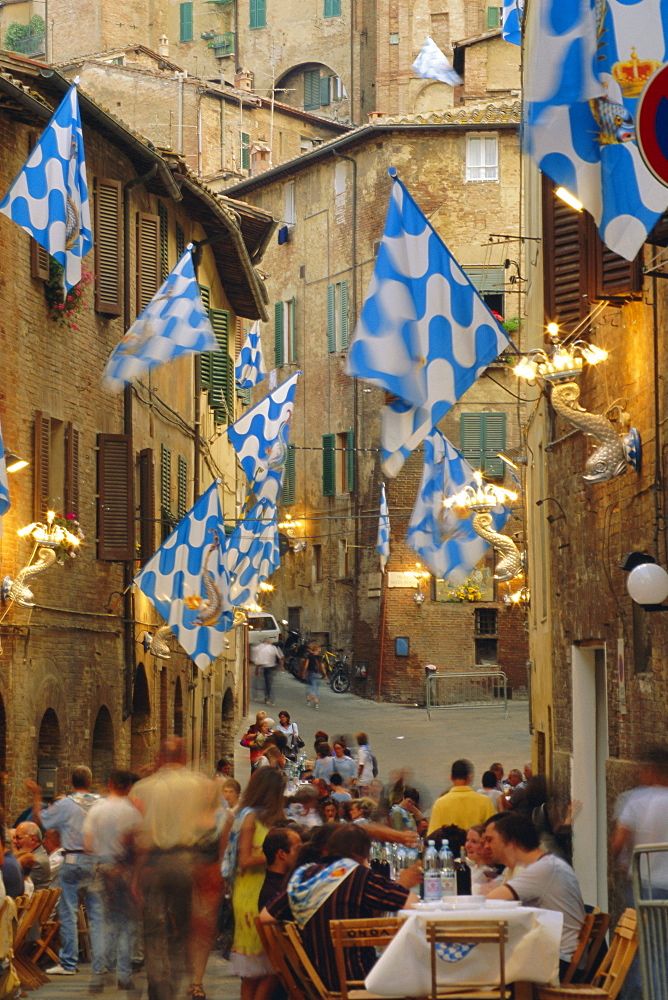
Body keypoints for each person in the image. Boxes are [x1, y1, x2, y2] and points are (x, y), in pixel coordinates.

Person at [260, 824, 420, 992]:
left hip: (318, 982)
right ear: (364, 853)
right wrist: (403, 883)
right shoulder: (361, 877)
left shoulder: (304, 876)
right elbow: (413, 904)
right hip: (360, 980)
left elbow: (265, 916)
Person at [130, 736, 221, 1000]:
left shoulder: (142, 788)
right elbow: (210, 829)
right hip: (188, 861)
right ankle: (182, 983)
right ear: (184, 757)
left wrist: (136, 876)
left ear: (160, 758)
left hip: (154, 863)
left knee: (154, 931)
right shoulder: (203, 785)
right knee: (184, 930)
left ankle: (161, 990)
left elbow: (139, 836)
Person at [485, 813, 585, 978]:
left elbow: (488, 901)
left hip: (559, 961)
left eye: (491, 839)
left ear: (511, 842)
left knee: (485, 966)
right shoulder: (546, 865)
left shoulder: (544, 869)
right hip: (555, 955)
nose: (487, 846)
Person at [26, 766, 103, 979]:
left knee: (68, 912)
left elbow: (41, 820)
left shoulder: (65, 804)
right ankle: (100, 962)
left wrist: (37, 795)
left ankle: (68, 963)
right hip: (95, 860)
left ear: (70, 783)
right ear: (90, 781)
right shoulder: (101, 802)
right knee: (96, 912)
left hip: (72, 858)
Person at [223, 768, 286, 1000]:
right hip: (251, 892)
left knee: (264, 967)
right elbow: (245, 858)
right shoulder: (249, 817)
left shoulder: (261, 817)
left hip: (263, 888)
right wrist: (275, 854)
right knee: (265, 965)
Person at [612, 746, 668, 1000]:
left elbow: (620, 840)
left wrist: (619, 862)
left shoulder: (635, 799)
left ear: (651, 771)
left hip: (646, 884)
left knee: (648, 949)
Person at [82, 769, 142, 992]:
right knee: (125, 925)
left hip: (100, 869)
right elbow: (137, 845)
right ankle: (124, 975)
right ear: (128, 787)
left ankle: (98, 975)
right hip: (124, 871)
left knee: (99, 924)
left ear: (109, 784)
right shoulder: (132, 812)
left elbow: (88, 844)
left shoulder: (97, 809)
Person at [427, 760, 494, 835]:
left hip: (450, 846)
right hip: (477, 846)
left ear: (451, 778)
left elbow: (432, 835)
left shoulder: (440, 803)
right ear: (470, 777)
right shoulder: (485, 802)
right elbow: (491, 833)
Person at [258, 828, 302, 910]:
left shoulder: (290, 881)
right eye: (298, 849)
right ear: (282, 854)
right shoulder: (272, 893)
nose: (301, 854)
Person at [12, 821, 51, 888]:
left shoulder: (36, 861)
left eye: (19, 837)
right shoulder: (37, 854)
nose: (15, 842)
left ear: (32, 839)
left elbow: (17, 885)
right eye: (14, 838)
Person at [251, 639, 284, 707]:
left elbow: (258, 660)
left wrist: (256, 669)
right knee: (269, 683)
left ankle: (267, 696)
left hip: (265, 667)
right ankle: (269, 697)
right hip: (271, 667)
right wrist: (280, 666)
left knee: (266, 682)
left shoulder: (262, 648)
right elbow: (280, 657)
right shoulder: (273, 648)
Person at [301, 641, 325, 709]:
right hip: (318, 674)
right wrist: (324, 674)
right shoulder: (319, 657)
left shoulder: (309, 656)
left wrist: (304, 672)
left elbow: (306, 665)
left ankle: (308, 701)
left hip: (310, 673)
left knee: (308, 687)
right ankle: (316, 703)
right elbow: (322, 666)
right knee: (316, 688)